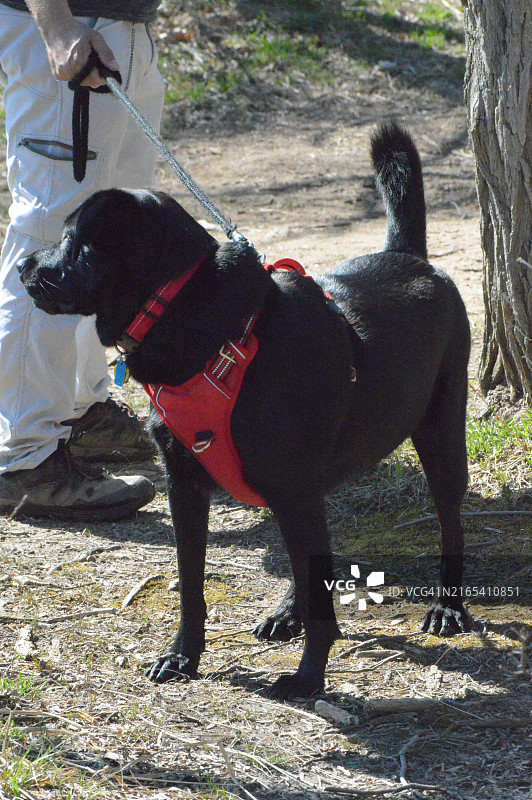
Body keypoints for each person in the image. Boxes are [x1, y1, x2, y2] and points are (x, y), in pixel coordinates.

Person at [0, 0, 165, 520]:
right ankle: (25, 455)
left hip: (126, 34)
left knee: (111, 228)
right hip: (69, 36)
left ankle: (79, 410)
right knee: (50, 236)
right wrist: (56, 24)